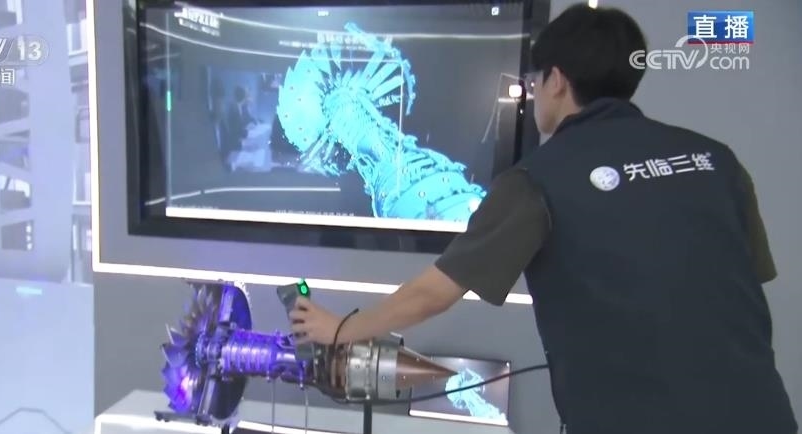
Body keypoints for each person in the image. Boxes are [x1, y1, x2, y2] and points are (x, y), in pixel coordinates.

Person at [288, 4, 798, 434]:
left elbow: (433, 294)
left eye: (533, 80)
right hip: (763, 414)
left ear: (556, 80)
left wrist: (340, 329)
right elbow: (748, 277)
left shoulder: (537, 178)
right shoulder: (716, 160)